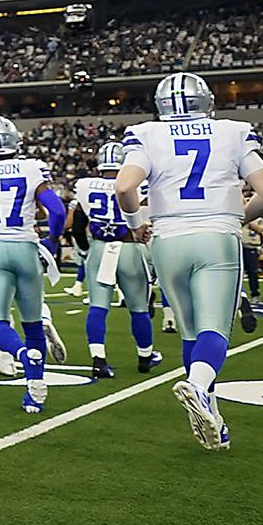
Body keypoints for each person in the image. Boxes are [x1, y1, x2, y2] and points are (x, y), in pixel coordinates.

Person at [112, 72, 263, 449]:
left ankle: (213, 417)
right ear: (207, 101)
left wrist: (137, 223)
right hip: (215, 237)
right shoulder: (232, 132)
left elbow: (125, 187)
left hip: (167, 240)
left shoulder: (146, 134)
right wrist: (238, 215)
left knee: (191, 331)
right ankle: (198, 386)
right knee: (214, 329)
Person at [0, 115, 64, 412]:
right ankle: (35, 391)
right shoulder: (31, 167)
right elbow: (57, 212)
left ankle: (21, 354)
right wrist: (53, 240)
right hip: (25, 247)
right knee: (32, 323)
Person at [71, 139, 161, 378]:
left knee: (98, 307)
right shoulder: (139, 184)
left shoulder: (84, 185)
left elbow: (77, 225)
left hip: (100, 248)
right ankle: (145, 356)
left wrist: (83, 251)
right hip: (129, 248)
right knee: (139, 308)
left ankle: (98, 359)